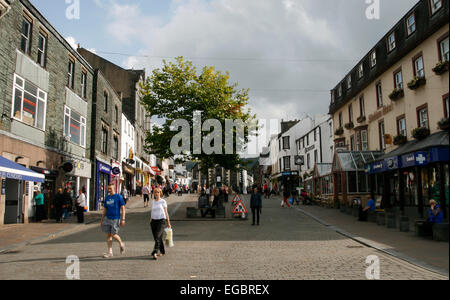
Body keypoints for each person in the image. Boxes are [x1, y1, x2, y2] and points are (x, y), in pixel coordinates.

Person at [101, 184, 126, 259]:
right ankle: (110, 252)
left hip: (115, 218)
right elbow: (105, 209)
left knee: (113, 234)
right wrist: (102, 219)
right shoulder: (107, 198)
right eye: (108, 188)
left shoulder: (118, 197)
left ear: (114, 188)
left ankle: (121, 243)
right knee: (108, 235)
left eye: (110, 188)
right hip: (107, 218)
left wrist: (123, 219)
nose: (109, 190)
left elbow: (123, 208)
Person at [150, 188, 172, 260]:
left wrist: (168, 222)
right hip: (153, 221)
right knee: (157, 237)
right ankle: (162, 251)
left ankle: (155, 252)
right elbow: (152, 211)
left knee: (157, 236)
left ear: (160, 193)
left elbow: (166, 212)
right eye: (155, 192)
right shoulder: (153, 202)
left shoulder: (163, 201)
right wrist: (151, 219)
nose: (156, 193)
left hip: (161, 221)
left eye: (158, 192)